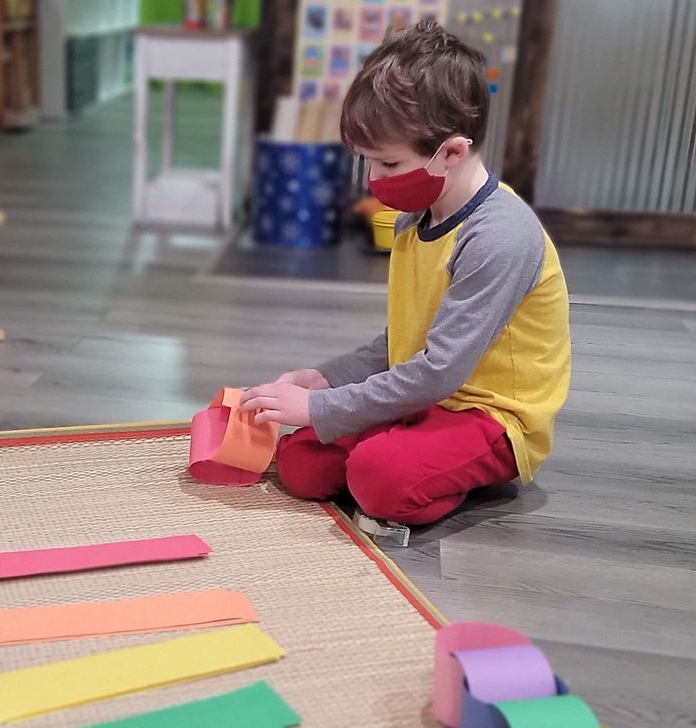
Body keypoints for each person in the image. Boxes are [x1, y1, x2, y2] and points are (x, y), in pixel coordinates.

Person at [242, 21, 571, 527]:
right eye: (367, 163)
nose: (375, 181)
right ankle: (408, 451)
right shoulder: (416, 216)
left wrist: (326, 408)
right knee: (301, 463)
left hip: (490, 416)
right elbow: (405, 338)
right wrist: (327, 379)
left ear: (453, 152)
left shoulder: (500, 236)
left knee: (379, 479)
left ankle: (457, 470)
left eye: (389, 164)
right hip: (425, 394)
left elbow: (440, 369)